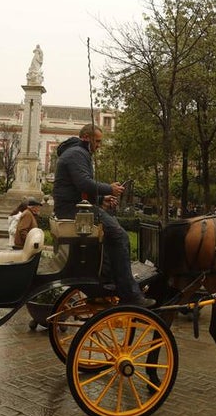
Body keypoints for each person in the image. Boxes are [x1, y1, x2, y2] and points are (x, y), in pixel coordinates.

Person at [53, 123, 154, 307]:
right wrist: (111, 188)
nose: (99, 146)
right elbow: (84, 183)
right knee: (120, 235)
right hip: (73, 210)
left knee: (111, 233)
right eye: (97, 141)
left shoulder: (77, 153)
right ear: (86, 138)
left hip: (74, 207)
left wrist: (101, 199)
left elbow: (77, 188)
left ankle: (110, 278)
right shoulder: (78, 153)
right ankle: (130, 295)